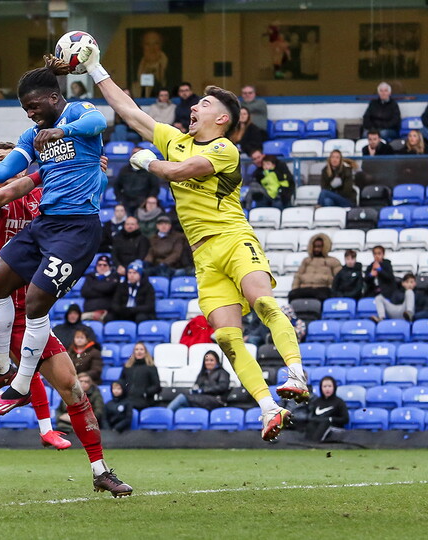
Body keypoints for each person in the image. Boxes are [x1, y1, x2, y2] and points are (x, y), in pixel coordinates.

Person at [84, 44, 307, 440]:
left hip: (233, 239)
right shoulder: (175, 139)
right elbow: (130, 111)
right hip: (203, 256)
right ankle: (269, 409)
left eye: (203, 104)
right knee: (225, 337)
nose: (193, 107)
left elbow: (179, 172)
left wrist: (145, 161)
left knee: (263, 301)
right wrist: (95, 68)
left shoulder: (225, 148)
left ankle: (296, 374)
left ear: (221, 118)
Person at [0, 137, 130, 495]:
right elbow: (7, 193)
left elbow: (76, 208)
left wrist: (90, 174)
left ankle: (100, 470)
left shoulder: (44, 200)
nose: (8, 166)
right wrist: (51, 169)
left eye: (12, 160)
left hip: (28, 306)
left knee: (71, 386)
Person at [0, 59, 109, 419]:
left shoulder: (79, 112)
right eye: (25, 109)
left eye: (33, 106)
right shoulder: (33, 135)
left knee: (34, 302)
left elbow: (99, 121)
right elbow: (5, 169)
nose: (30, 114)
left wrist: (62, 132)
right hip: (46, 223)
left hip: (78, 227)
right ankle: (0, 364)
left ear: (53, 97)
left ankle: (22, 383)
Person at [288, 234, 340, 303]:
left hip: (322, 289)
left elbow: (339, 278)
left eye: (319, 247)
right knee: (292, 294)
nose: (316, 249)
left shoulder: (333, 261)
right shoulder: (306, 261)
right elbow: (297, 276)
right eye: (314, 246)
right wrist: (295, 288)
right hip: (305, 289)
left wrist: (331, 288)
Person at [113, 148, 160, 215]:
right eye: (134, 153)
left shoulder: (149, 170)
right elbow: (117, 186)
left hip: (144, 203)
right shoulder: (124, 170)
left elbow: (155, 186)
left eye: (138, 153)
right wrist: (121, 199)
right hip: (127, 203)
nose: (135, 155)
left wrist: (148, 199)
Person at [302, 375, 348, 441]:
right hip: (319, 427)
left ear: (334, 387)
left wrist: (331, 419)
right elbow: (312, 417)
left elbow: (345, 419)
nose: (327, 389)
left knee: (325, 422)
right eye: (324, 386)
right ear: (321, 388)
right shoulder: (317, 401)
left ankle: (315, 442)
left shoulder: (339, 402)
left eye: (330, 386)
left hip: (335, 429)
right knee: (311, 424)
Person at [117, 342, 160, 411]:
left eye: (141, 349)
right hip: (128, 400)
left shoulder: (151, 367)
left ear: (145, 352)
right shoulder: (127, 367)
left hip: (145, 401)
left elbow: (157, 386)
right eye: (136, 349)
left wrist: (145, 392)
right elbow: (121, 382)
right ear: (134, 352)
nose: (139, 351)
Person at [81, 255, 119, 321]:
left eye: (105, 265)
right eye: (99, 265)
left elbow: (108, 288)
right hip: (89, 311)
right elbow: (84, 292)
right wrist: (104, 291)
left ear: (109, 266)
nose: (102, 267)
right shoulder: (90, 276)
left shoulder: (114, 276)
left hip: (105, 313)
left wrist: (93, 285)